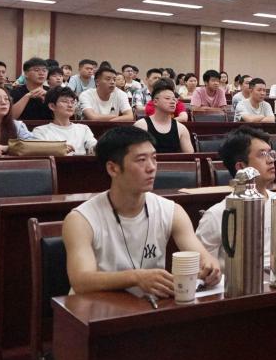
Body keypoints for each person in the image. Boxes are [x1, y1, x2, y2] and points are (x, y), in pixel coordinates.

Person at [62, 127, 220, 298]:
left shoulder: (172, 211)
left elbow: (202, 258)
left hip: (146, 308)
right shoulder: (81, 219)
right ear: (113, 169)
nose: (151, 167)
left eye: (154, 158)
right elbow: (81, 281)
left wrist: (210, 267)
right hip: (95, 308)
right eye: (141, 160)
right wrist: (136, 277)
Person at [197, 127, 276, 268]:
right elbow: (201, 268)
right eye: (262, 155)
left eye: (271, 153)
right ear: (241, 167)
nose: (271, 160)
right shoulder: (217, 214)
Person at [32, 87, 97, 154]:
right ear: (52, 106)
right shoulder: (40, 131)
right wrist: (57, 149)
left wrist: (97, 147)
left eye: (72, 102)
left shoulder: (83, 129)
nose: (70, 105)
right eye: (65, 101)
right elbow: (38, 152)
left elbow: (93, 145)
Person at [134, 79, 193, 154]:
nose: (172, 102)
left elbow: (189, 157)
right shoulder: (141, 126)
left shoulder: (181, 128)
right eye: (167, 98)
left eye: (174, 99)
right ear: (155, 102)